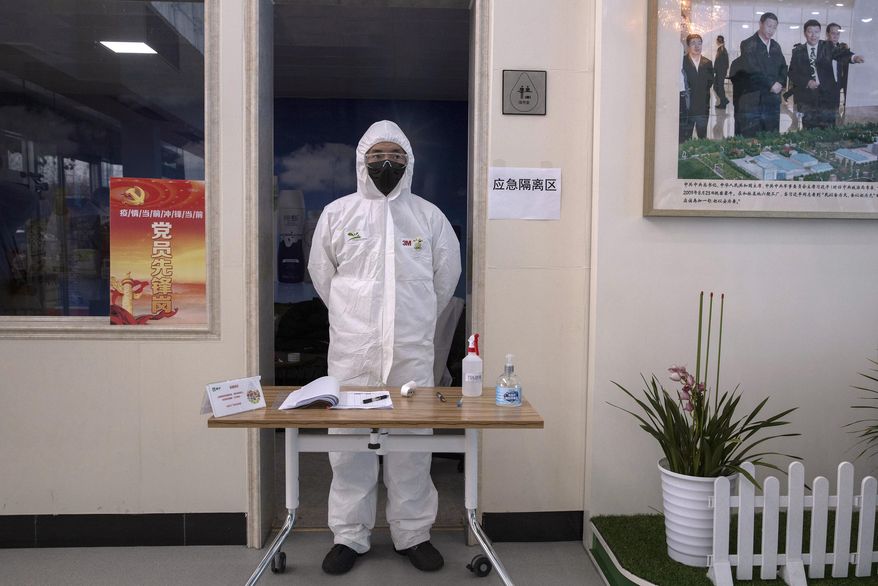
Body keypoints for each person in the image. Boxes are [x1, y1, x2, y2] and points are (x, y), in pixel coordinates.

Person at [308, 120, 461, 575]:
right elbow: (323, 276)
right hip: (353, 354)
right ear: (362, 162)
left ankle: (412, 534)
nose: (386, 164)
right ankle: (349, 537)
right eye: (376, 157)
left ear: (409, 162)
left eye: (395, 156)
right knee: (349, 447)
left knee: (412, 446)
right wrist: (356, 317)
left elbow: (444, 281)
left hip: (411, 354)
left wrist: (410, 321)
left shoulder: (428, 218)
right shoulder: (338, 215)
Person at [788, 20, 856, 129]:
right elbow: (792, 73)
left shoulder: (827, 46)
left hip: (827, 98)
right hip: (807, 99)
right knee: (809, 130)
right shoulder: (798, 51)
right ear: (805, 33)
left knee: (828, 130)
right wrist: (807, 82)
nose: (813, 35)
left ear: (820, 33)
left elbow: (841, 54)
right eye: (810, 32)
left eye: (816, 32)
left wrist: (853, 58)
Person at [736, 12, 788, 137]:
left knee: (771, 135)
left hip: (773, 100)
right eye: (769, 26)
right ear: (761, 24)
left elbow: (783, 67)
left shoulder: (775, 46)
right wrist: (770, 84)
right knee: (753, 136)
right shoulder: (748, 44)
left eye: (774, 27)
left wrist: (780, 83)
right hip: (755, 99)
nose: (771, 30)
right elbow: (752, 69)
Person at [826, 22, 865, 120]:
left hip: (836, 87)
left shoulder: (840, 49)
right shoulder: (822, 47)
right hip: (823, 89)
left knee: (834, 117)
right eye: (833, 33)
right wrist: (853, 57)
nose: (835, 36)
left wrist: (854, 57)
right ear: (827, 34)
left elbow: (844, 54)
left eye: (837, 34)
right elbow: (840, 54)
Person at [680, 33, 715, 142]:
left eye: (699, 43)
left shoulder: (708, 63)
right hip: (687, 108)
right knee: (685, 138)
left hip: (702, 107)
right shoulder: (682, 62)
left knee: (702, 137)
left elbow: (710, 82)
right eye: (693, 43)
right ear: (688, 46)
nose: (697, 46)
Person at [713, 35, 730, 109]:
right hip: (720, 72)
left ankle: (724, 102)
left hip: (720, 72)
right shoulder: (721, 49)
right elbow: (726, 63)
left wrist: (718, 71)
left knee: (719, 87)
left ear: (717, 41)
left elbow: (722, 63)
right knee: (716, 87)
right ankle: (724, 100)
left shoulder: (722, 50)